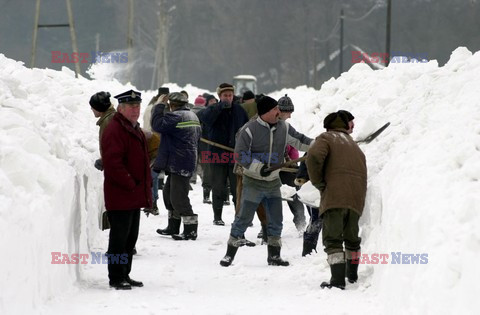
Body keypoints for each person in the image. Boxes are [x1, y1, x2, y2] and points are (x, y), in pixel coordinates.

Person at [220, 96, 313, 267]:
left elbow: (301, 141)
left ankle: (274, 256)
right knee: (243, 218)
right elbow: (240, 154)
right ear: (266, 112)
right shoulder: (249, 129)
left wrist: (321, 144)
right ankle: (229, 254)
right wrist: (258, 167)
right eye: (275, 109)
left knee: (276, 220)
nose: (279, 112)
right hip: (253, 182)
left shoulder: (283, 128)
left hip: (272, 183)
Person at [306, 110, 367, 290]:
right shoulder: (353, 145)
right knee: (352, 239)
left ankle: (338, 281)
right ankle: (352, 275)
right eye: (351, 122)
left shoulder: (326, 138)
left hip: (335, 197)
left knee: (333, 240)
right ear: (344, 124)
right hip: (356, 199)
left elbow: (314, 157)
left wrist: (318, 182)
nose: (353, 126)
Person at [101, 89, 152, 290]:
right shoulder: (115, 130)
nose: (135, 110)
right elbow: (113, 164)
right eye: (131, 106)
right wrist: (130, 183)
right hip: (121, 194)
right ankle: (115, 277)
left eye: (137, 106)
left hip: (133, 195)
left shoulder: (133, 128)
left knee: (130, 239)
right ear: (120, 108)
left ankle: (125, 274)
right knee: (119, 239)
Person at [152, 92, 201, 240]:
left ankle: (190, 229)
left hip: (180, 162)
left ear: (171, 105)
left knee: (178, 198)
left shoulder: (176, 116)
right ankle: (173, 226)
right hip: (184, 160)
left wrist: (159, 105)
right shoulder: (192, 115)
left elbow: (156, 125)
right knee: (168, 195)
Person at [197, 83, 249, 225]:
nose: (228, 98)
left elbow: (248, 128)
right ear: (220, 96)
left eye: (230, 95)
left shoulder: (239, 110)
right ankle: (217, 217)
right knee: (218, 187)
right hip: (217, 154)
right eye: (225, 95)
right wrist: (219, 108)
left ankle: (239, 217)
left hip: (235, 156)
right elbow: (204, 119)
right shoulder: (213, 109)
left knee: (237, 188)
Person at [277, 94, 307, 232]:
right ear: (281, 111)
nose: (289, 116)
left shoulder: (287, 128)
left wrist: (292, 163)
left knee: (294, 194)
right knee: (268, 197)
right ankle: (267, 227)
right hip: (268, 168)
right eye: (288, 113)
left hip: (286, 167)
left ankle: (300, 222)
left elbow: (294, 147)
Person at [89, 91, 116, 230]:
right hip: (116, 166)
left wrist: (105, 160)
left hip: (116, 168)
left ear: (99, 107)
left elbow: (113, 145)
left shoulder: (108, 121)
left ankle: (121, 244)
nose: (91, 110)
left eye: (92, 107)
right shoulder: (111, 117)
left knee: (117, 205)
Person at [142, 87, 169, 216]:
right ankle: (152, 202)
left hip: (151, 142)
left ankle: (152, 202)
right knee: (153, 175)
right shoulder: (158, 109)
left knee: (153, 175)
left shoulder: (149, 107)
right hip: (154, 143)